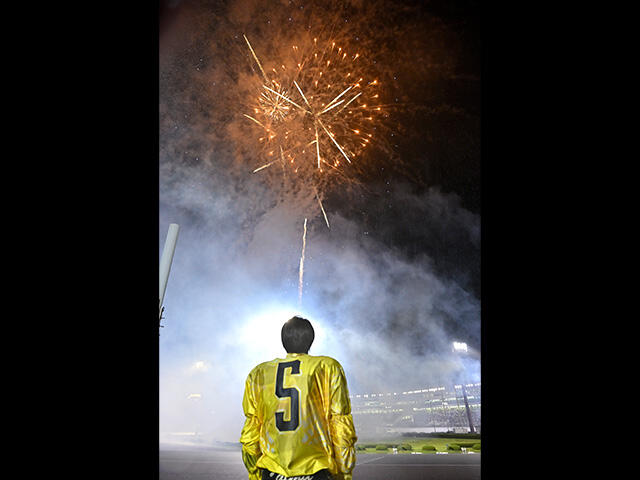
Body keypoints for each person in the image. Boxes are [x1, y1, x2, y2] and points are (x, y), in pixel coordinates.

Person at [240, 316, 357, 480]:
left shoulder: (258, 373)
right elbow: (340, 423)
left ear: (283, 340)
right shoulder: (328, 367)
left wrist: (254, 473)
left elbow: (251, 431)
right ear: (311, 339)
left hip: (272, 470)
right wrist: (343, 472)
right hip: (315, 470)